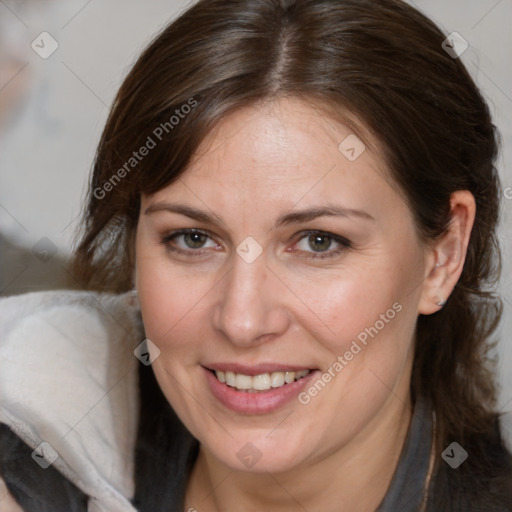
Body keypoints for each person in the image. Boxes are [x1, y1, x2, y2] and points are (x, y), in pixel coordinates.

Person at [1, 0, 511, 510]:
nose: (242, 321)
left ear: (443, 254)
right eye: (193, 238)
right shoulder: (32, 456)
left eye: (318, 241)